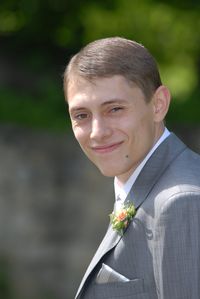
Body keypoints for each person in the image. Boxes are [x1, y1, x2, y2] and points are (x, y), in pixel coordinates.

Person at [63, 37, 200, 299]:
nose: (97, 132)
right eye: (81, 115)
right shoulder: (145, 185)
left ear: (158, 104)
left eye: (114, 109)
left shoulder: (182, 203)